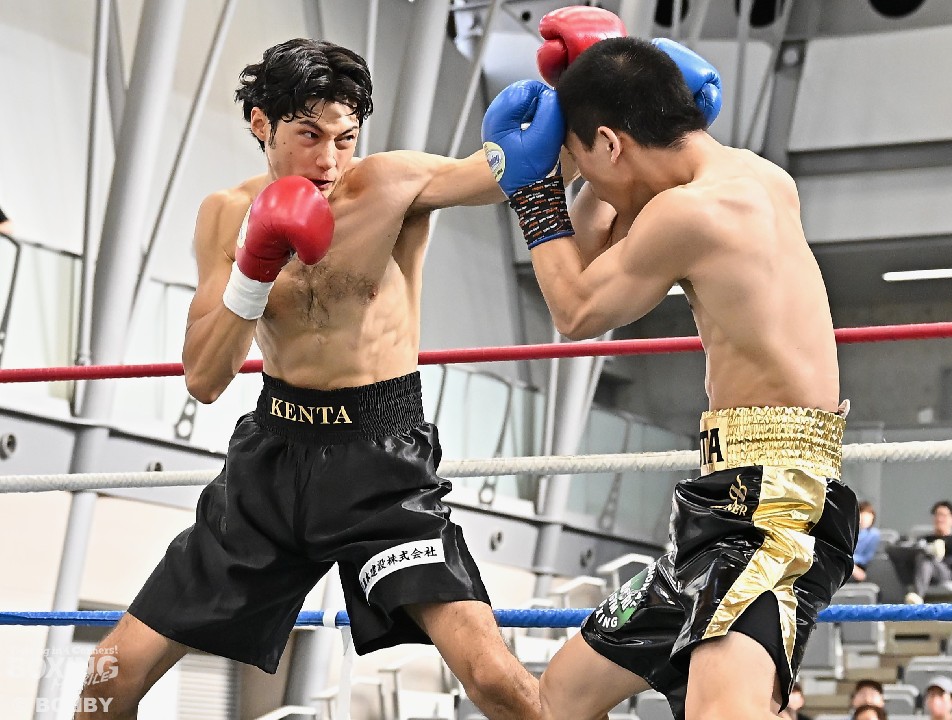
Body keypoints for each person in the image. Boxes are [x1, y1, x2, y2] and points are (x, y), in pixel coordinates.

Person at [75, 38, 543, 720]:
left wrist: (586, 93)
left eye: (345, 139)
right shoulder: (225, 215)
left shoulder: (392, 185)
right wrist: (254, 269)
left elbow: (511, 170)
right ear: (261, 124)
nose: (328, 161)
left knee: (496, 679)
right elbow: (204, 378)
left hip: (381, 467)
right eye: (309, 136)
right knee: (106, 679)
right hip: (270, 464)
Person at [479, 8, 858, 720]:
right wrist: (599, 114)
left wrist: (533, 193)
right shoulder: (761, 177)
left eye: (586, 165)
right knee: (560, 697)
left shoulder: (691, 214)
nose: (587, 187)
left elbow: (576, 307)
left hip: (771, 503)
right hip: (732, 496)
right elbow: (603, 239)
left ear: (610, 144)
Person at [904, 500, 952, 604]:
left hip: (946, 573)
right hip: (922, 570)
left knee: (926, 559)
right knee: (923, 557)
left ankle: (917, 596)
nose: (939, 519)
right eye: (937, 515)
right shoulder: (924, 539)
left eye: (943, 515)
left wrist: (938, 558)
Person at [851, 500, 881, 582]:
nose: (864, 519)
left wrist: (850, 561)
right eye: (861, 515)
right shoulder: (849, 533)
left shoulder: (874, 534)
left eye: (868, 516)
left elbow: (867, 557)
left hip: (862, 567)